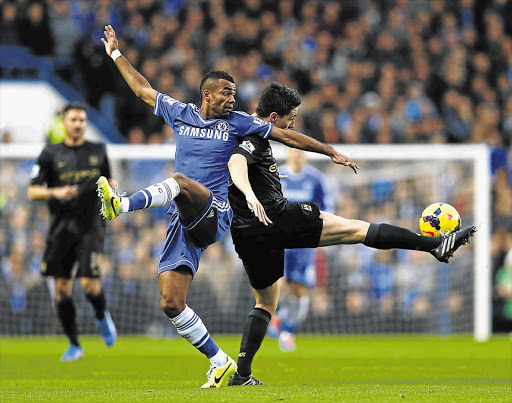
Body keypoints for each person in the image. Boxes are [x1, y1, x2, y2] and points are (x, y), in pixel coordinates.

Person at [97, 25, 357, 388]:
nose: (232, 99)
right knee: (171, 303)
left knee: (182, 182)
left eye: (234, 94)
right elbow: (142, 90)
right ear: (207, 94)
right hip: (182, 216)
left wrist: (329, 151)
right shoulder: (181, 113)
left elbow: (284, 134)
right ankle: (220, 362)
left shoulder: (239, 123)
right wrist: (115, 53)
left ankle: (121, 203)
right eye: (226, 93)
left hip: (215, 210)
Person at [226, 82, 477, 386]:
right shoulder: (252, 136)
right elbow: (237, 162)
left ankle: (242, 374)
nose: (292, 124)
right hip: (276, 217)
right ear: (274, 116)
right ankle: (434, 245)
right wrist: (249, 193)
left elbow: (275, 144)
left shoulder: (242, 128)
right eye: (290, 117)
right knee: (357, 229)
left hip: (246, 232)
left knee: (265, 304)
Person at [27, 103, 117, 362]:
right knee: (62, 289)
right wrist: (56, 192)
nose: (78, 123)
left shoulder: (98, 151)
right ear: (64, 123)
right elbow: (33, 191)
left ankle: (101, 316)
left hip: (91, 226)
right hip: (61, 229)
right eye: (73, 119)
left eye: (81, 119)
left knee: (90, 284)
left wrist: (114, 191)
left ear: (85, 123)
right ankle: (74, 344)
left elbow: (110, 182)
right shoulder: (50, 153)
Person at [267, 148, 333, 352]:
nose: (297, 155)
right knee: (278, 283)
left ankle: (287, 329)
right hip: (280, 240)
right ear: (287, 154)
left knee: (299, 290)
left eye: (300, 152)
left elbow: (326, 209)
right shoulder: (276, 174)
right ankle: (278, 316)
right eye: (293, 152)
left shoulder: (315, 179)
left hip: (304, 243)